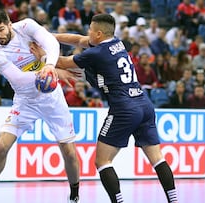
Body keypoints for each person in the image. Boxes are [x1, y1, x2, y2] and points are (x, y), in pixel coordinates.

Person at [32, 14, 178, 203]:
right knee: (157, 158)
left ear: (99, 34)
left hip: (124, 108)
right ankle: (174, 200)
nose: (87, 33)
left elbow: (62, 62)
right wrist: (51, 36)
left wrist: (41, 54)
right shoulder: (118, 42)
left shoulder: (96, 53)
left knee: (102, 161)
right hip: (144, 104)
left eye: (90, 30)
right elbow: (78, 40)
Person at [0, 9, 80, 203]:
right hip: (25, 101)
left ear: (10, 23)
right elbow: (18, 79)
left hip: (53, 99)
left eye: (1, 29)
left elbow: (52, 42)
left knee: (68, 151)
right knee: (1, 146)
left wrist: (49, 65)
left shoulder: (26, 26)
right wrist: (46, 69)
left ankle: (74, 197)